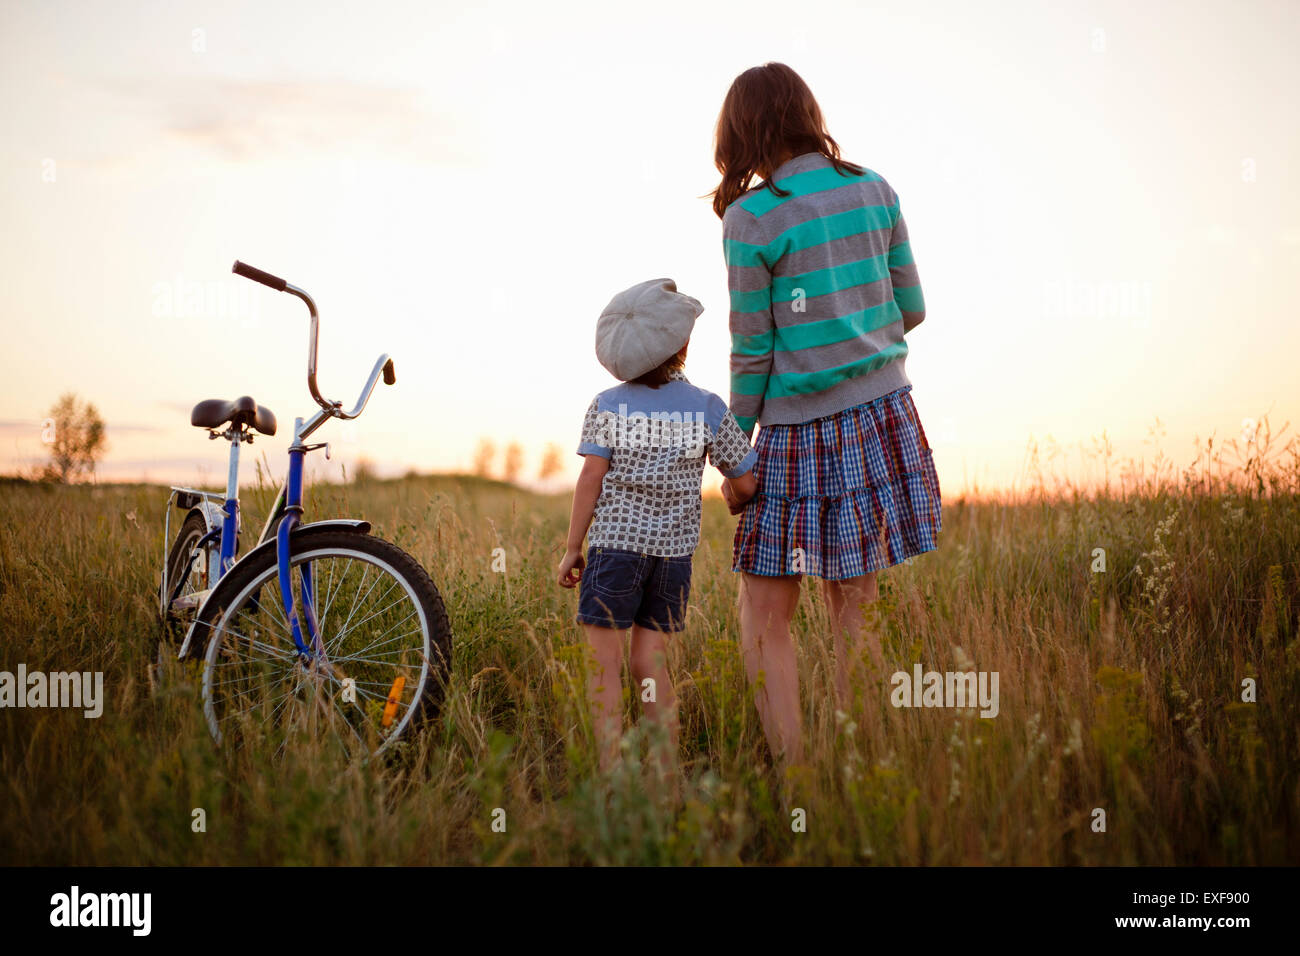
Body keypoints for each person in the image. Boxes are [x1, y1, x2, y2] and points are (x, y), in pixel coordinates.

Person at [711, 63, 943, 769]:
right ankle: (854, 770)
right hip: (882, 417)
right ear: (807, 114)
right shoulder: (875, 188)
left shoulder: (751, 218)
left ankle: (794, 778)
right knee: (856, 610)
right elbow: (915, 309)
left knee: (764, 616)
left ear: (741, 130)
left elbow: (753, 349)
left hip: (795, 432)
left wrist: (734, 455)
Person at [557, 277, 758, 788]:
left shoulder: (606, 404)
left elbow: (591, 479)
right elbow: (745, 481)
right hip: (673, 558)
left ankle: (612, 778)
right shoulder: (708, 406)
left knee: (603, 667)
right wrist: (735, 496)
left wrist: (571, 548)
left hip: (615, 550)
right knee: (651, 663)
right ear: (681, 345)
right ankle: (667, 779)